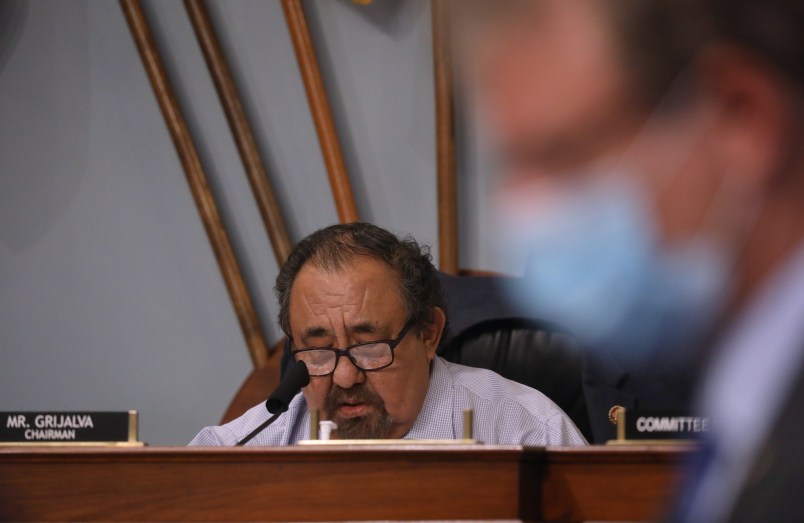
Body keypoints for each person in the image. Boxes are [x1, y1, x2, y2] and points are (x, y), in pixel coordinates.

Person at [454, 0, 804, 521]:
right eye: (515, 163)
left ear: (741, 117)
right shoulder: (744, 395)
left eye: (563, 155)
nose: (529, 212)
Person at [190, 222, 587, 446]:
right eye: (318, 351)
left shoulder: (528, 431)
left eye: (368, 346)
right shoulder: (247, 447)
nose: (345, 377)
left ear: (429, 333)